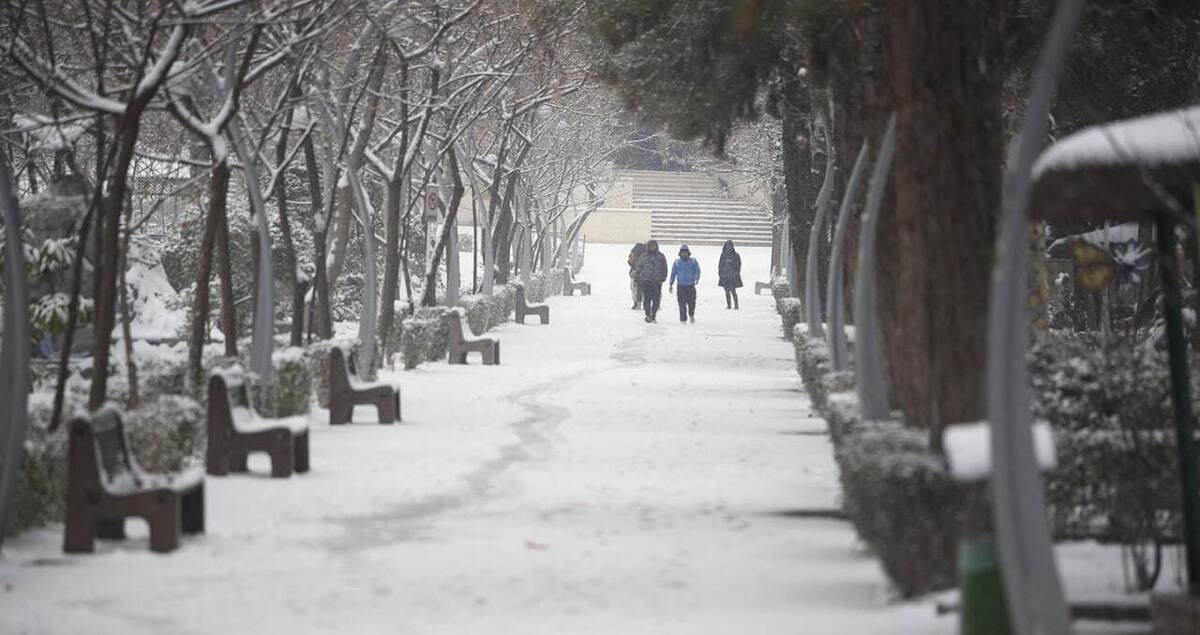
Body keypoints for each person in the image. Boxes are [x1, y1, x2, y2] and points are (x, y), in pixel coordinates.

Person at [635, 239, 668, 323]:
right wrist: (637, 277)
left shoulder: (661, 257)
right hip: (646, 281)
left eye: (654, 246)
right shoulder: (643, 256)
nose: (652, 248)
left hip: (657, 281)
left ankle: (653, 314)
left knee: (656, 299)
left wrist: (663, 278)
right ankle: (647, 314)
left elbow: (664, 268)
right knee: (647, 299)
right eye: (651, 246)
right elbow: (639, 267)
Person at [669, 244, 700, 324]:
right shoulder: (677, 262)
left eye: (685, 252)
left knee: (691, 302)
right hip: (681, 286)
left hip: (690, 286)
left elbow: (697, 270)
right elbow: (673, 273)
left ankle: (691, 314)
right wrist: (671, 284)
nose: (684, 254)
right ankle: (683, 319)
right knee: (681, 303)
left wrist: (696, 278)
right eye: (682, 252)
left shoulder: (693, 261)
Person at [717, 240, 743, 310]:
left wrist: (736, 272)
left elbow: (738, 265)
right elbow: (720, 265)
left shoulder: (736, 255)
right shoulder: (723, 255)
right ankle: (729, 305)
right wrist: (720, 273)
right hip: (725, 275)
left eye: (730, 246)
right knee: (726, 291)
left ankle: (736, 305)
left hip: (732, 276)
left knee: (733, 290)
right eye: (727, 246)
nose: (729, 247)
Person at [627, 242, 646, 310]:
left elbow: (630, 262)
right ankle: (643, 303)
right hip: (643, 275)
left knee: (635, 289)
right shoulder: (646, 255)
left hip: (636, 274)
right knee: (642, 290)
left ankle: (637, 303)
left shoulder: (633, 255)